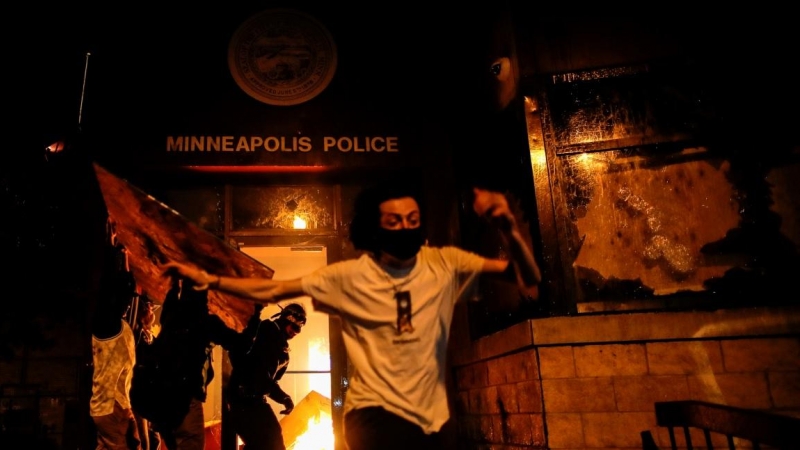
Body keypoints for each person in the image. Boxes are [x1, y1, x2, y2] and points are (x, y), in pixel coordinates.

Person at [161, 183, 541, 450]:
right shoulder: (350, 276)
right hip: (370, 417)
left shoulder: (440, 264)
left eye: (412, 218)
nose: (405, 228)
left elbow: (527, 276)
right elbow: (274, 290)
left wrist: (507, 225)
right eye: (394, 221)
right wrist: (207, 279)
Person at [136, 276, 240, 450]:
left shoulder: (171, 315)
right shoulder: (206, 322)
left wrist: (176, 281)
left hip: (162, 396)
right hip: (185, 397)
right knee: (190, 442)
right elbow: (237, 341)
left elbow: (171, 297)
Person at [225, 302, 306, 450]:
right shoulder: (267, 334)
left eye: (299, 329)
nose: (295, 332)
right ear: (285, 320)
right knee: (272, 442)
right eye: (294, 327)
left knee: (264, 443)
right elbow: (260, 376)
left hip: (250, 400)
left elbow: (267, 380)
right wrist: (284, 398)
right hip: (245, 401)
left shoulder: (280, 346)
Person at [90, 225, 142, 450]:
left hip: (112, 406)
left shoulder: (119, 326)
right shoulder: (107, 325)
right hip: (111, 407)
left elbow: (123, 289)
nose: (128, 305)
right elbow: (107, 288)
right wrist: (111, 249)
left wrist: (125, 257)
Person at [131, 297, 161, 450]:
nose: (151, 312)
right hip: (140, 394)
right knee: (144, 441)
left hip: (151, 396)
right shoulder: (136, 335)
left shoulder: (152, 338)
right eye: (149, 308)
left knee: (155, 439)